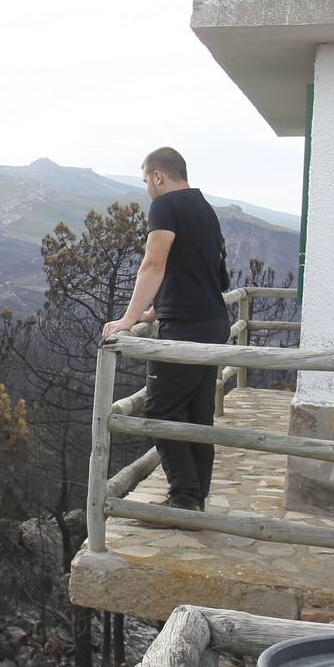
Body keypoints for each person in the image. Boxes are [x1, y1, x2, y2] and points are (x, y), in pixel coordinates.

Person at [102, 147, 230, 511]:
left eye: (146, 180)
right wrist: (156, 311)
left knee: (159, 409)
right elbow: (201, 271)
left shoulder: (165, 206)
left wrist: (129, 318)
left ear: (158, 176)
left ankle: (185, 498)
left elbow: (153, 264)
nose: (147, 188)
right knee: (196, 413)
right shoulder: (204, 208)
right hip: (212, 319)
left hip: (187, 326)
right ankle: (194, 496)